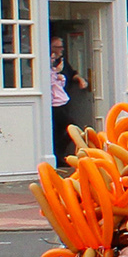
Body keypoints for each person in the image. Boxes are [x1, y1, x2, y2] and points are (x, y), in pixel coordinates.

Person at [49, 36, 88, 165]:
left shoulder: (61, 63)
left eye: (62, 47)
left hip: (63, 101)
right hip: (55, 104)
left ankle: (59, 155)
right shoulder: (50, 66)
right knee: (69, 128)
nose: (62, 50)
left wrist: (80, 80)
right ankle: (58, 156)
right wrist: (56, 72)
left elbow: (71, 73)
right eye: (58, 47)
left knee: (62, 130)